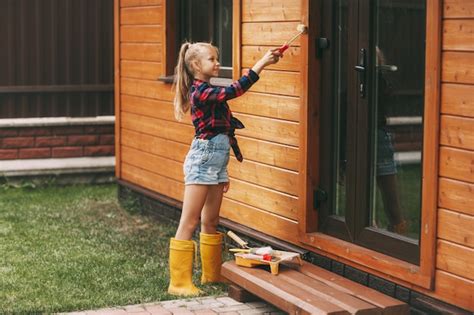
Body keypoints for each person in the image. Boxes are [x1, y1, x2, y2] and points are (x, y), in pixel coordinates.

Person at [168, 42, 282, 296]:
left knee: (211, 220)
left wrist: (223, 171)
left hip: (215, 162)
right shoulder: (200, 92)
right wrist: (262, 62)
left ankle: (211, 274)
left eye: (217, 58)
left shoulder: (208, 89)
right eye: (212, 59)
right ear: (196, 65)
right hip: (203, 161)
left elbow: (223, 132)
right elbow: (234, 90)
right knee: (190, 221)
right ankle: (179, 283)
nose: (218, 63)